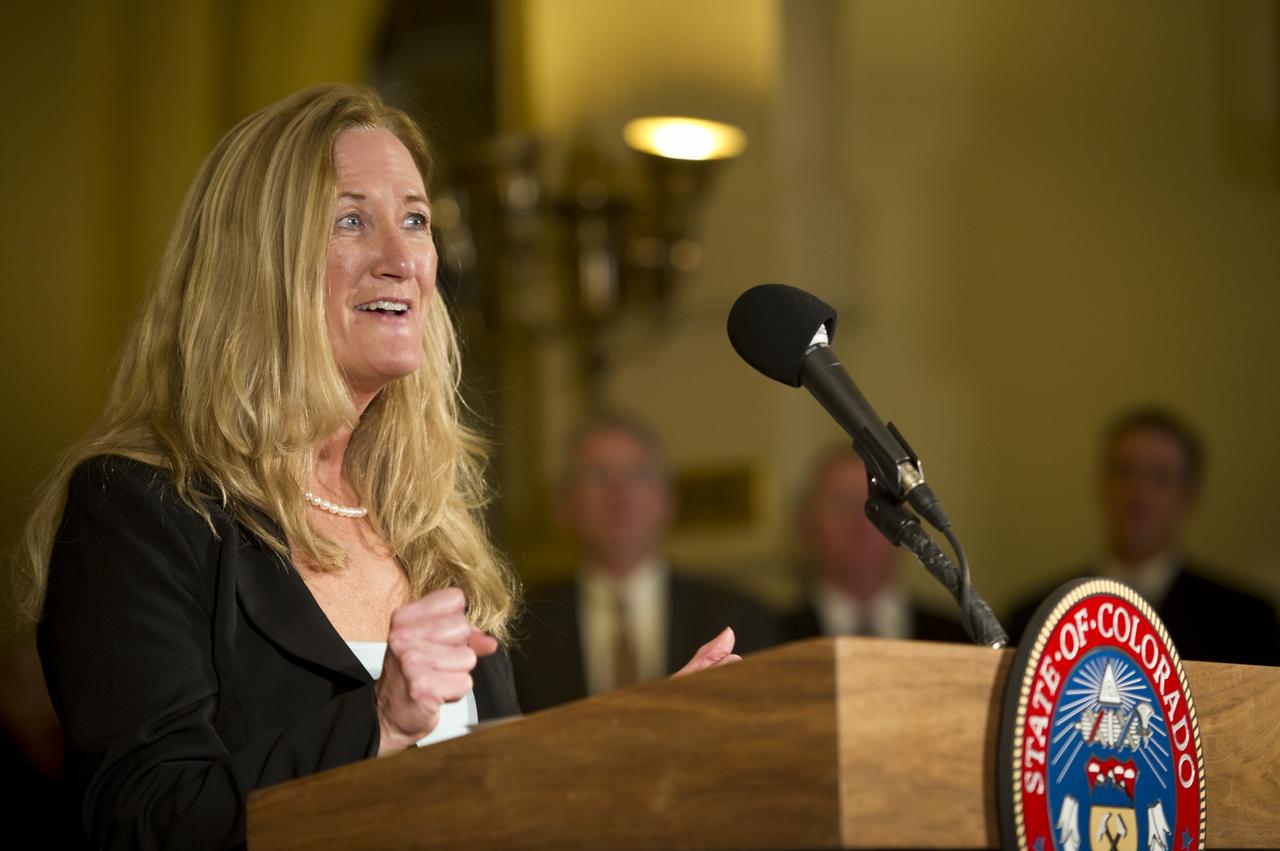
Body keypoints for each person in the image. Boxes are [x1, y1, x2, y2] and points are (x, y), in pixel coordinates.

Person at [18, 85, 736, 850]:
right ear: (259, 264)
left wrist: (636, 745)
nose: (402, 260)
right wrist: (378, 721)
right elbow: (144, 820)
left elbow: (496, 803)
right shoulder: (140, 510)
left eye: (417, 220)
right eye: (351, 219)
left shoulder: (428, 524)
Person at [511, 415, 780, 712]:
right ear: (564, 505)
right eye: (597, 476)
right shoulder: (523, 626)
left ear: (668, 500)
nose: (620, 493)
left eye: (637, 474)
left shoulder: (738, 616)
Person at [1007, 407, 1280, 665]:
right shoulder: (1036, 617)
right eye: (1125, 472)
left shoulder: (1245, 621)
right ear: (1101, 484)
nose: (1138, 492)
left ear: (1189, 497)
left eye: (1159, 477)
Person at [783, 448, 968, 643]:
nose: (862, 523)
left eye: (880, 507)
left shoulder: (957, 639)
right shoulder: (771, 638)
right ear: (806, 523)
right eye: (843, 504)